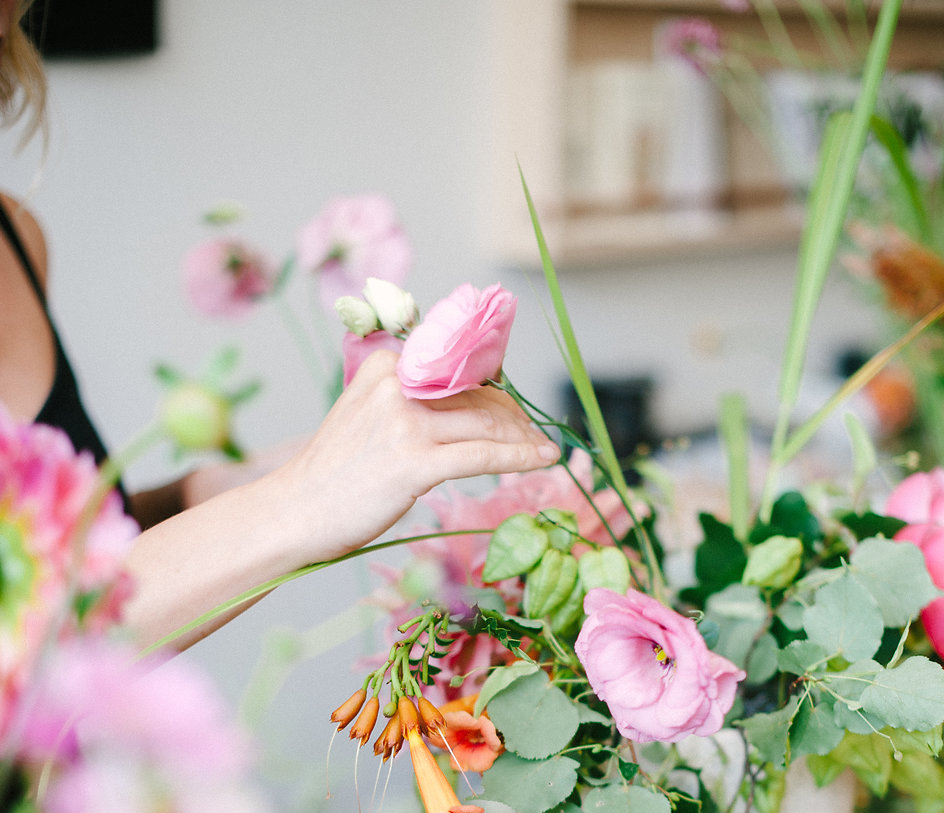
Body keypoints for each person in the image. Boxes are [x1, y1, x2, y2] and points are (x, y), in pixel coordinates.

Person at [0, 0, 557, 652]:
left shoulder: (18, 240)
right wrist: (305, 499)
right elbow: (24, 646)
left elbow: (74, 550)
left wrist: (227, 486)